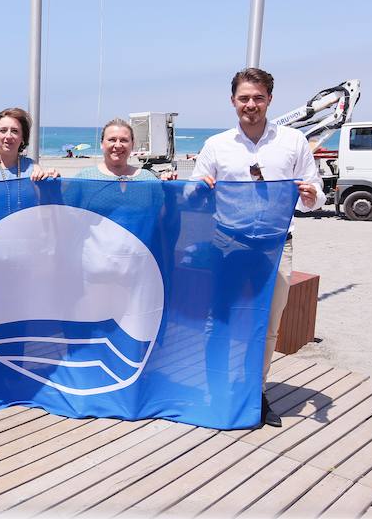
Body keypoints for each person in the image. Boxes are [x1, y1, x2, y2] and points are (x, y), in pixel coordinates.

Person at [191, 67, 325, 428]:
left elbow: (314, 193)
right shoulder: (216, 145)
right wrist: (199, 188)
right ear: (233, 101)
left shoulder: (293, 142)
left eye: (258, 97)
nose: (251, 104)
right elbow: (192, 196)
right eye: (244, 98)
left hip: (275, 248)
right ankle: (215, 387)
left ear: (269, 99)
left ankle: (254, 390)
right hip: (227, 246)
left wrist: (312, 195)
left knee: (267, 324)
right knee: (217, 322)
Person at [0, 107, 58, 183]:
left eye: (14, 131)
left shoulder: (32, 167)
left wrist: (53, 181)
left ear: (22, 137)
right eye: (3, 130)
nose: (8, 136)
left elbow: (44, 201)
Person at [76, 118, 161, 182]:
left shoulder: (148, 179)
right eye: (112, 140)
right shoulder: (84, 178)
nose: (118, 145)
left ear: (132, 145)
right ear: (101, 144)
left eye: (124, 140)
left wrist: (171, 185)